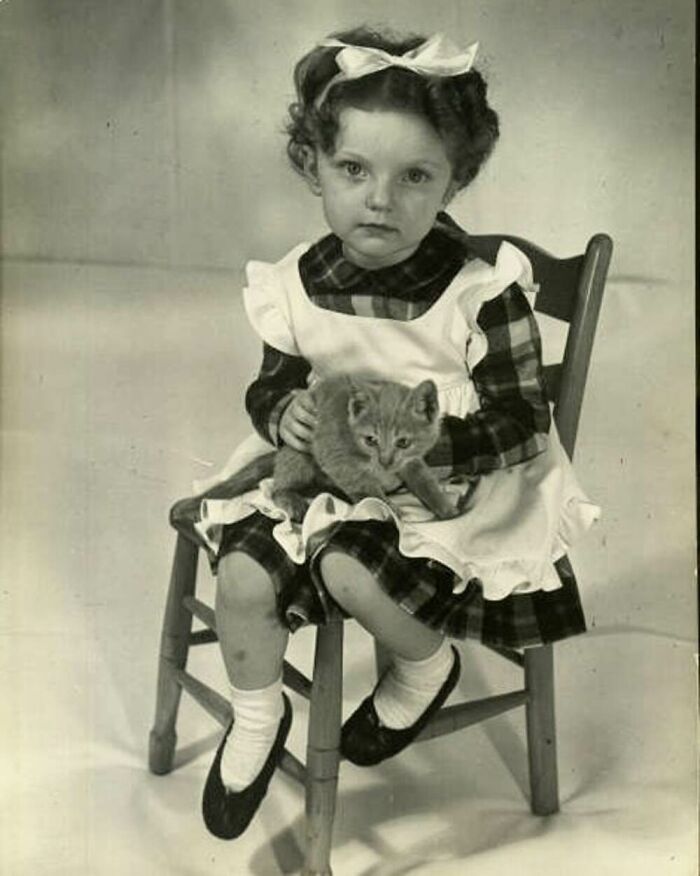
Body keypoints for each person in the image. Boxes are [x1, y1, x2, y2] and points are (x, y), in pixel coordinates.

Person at [195, 26, 600, 840]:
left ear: (457, 179)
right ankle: (254, 713)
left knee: (351, 571)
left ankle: (424, 668)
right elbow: (271, 381)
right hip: (320, 475)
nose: (381, 199)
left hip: (436, 486)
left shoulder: (480, 294)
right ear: (314, 169)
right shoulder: (297, 282)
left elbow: (524, 419)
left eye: (415, 175)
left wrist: (427, 449)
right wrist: (284, 412)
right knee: (240, 576)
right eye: (354, 170)